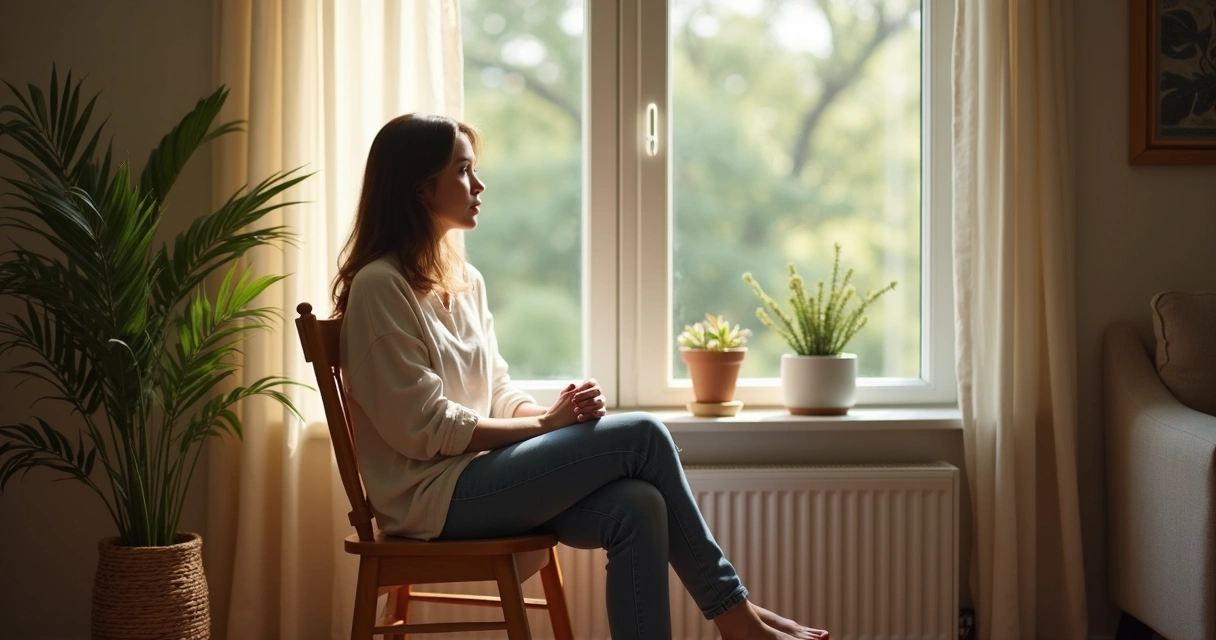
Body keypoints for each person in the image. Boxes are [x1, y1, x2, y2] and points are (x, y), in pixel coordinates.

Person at [331, 113, 829, 640]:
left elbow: (496, 390)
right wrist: (546, 426)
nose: (479, 185)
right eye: (462, 170)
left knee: (639, 504)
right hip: (431, 500)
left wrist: (552, 416)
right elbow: (425, 427)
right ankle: (737, 618)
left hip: (481, 480)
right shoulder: (380, 285)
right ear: (419, 187)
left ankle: (734, 620)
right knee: (643, 433)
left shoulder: (466, 281)